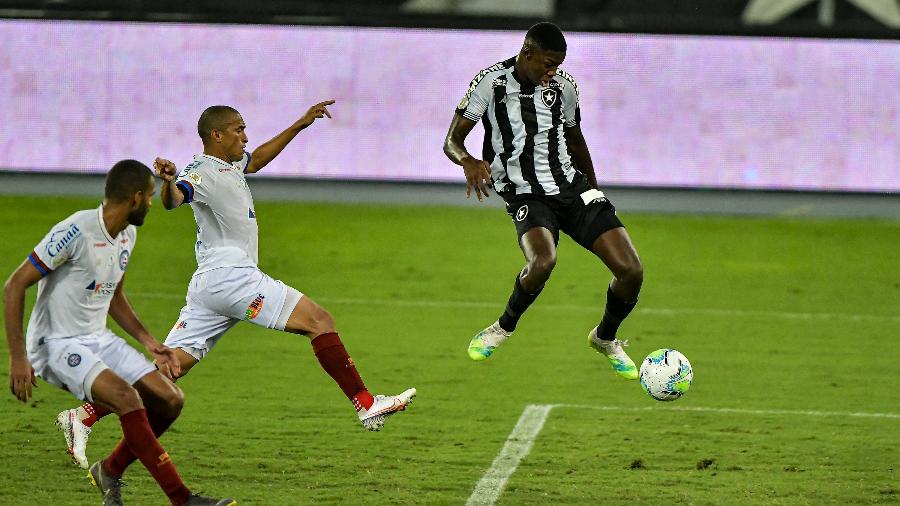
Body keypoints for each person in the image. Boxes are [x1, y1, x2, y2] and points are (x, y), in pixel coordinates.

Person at [56, 102, 416, 468]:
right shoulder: (201, 171)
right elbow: (176, 199)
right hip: (233, 278)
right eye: (239, 130)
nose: (245, 136)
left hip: (211, 286)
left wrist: (300, 124)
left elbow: (256, 160)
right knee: (319, 321)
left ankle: (84, 414)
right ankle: (366, 404)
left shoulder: (231, 164)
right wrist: (167, 182)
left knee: (170, 367)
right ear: (217, 135)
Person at [4, 160, 234, 505]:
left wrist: (151, 343)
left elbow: (115, 298)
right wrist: (19, 357)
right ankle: (182, 499)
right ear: (136, 198)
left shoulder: (128, 233)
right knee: (127, 398)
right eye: (152, 197)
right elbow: (14, 285)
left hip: (97, 338)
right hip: (54, 343)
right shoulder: (75, 231)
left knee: (170, 400)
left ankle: (109, 470)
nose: (154, 204)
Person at [442, 22, 644, 379]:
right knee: (543, 261)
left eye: (558, 65)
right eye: (548, 64)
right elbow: (451, 142)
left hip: (571, 187)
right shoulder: (491, 83)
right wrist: (468, 160)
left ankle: (605, 337)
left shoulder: (563, 87)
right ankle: (502, 327)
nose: (553, 72)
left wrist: (594, 190)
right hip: (524, 192)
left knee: (631, 271)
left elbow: (576, 139)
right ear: (527, 53)